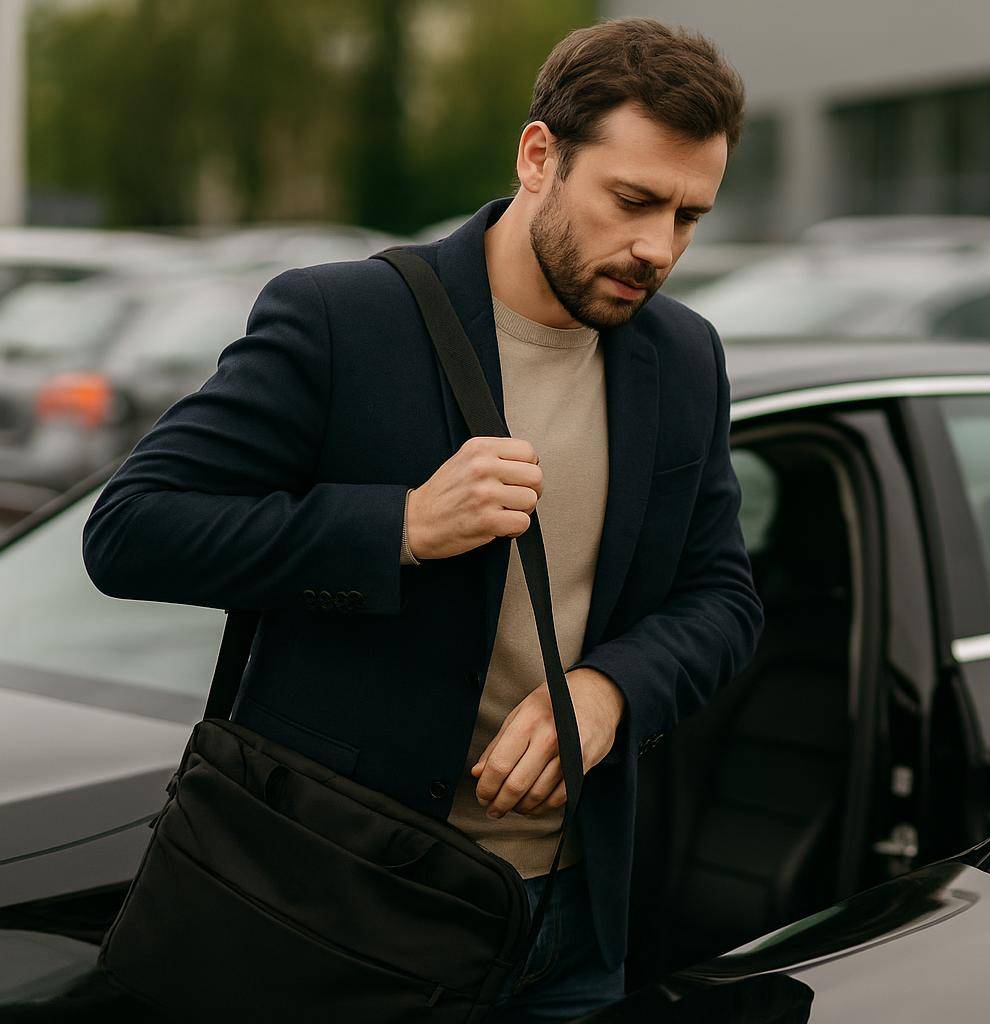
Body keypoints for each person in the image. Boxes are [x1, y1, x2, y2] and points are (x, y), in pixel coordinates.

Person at [82, 18, 763, 1021]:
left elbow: (723, 598)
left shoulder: (686, 355)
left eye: (688, 216)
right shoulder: (344, 321)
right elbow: (131, 530)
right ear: (539, 156)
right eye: (633, 201)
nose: (657, 248)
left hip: (572, 923)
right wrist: (399, 526)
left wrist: (612, 688)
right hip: (345, 910)